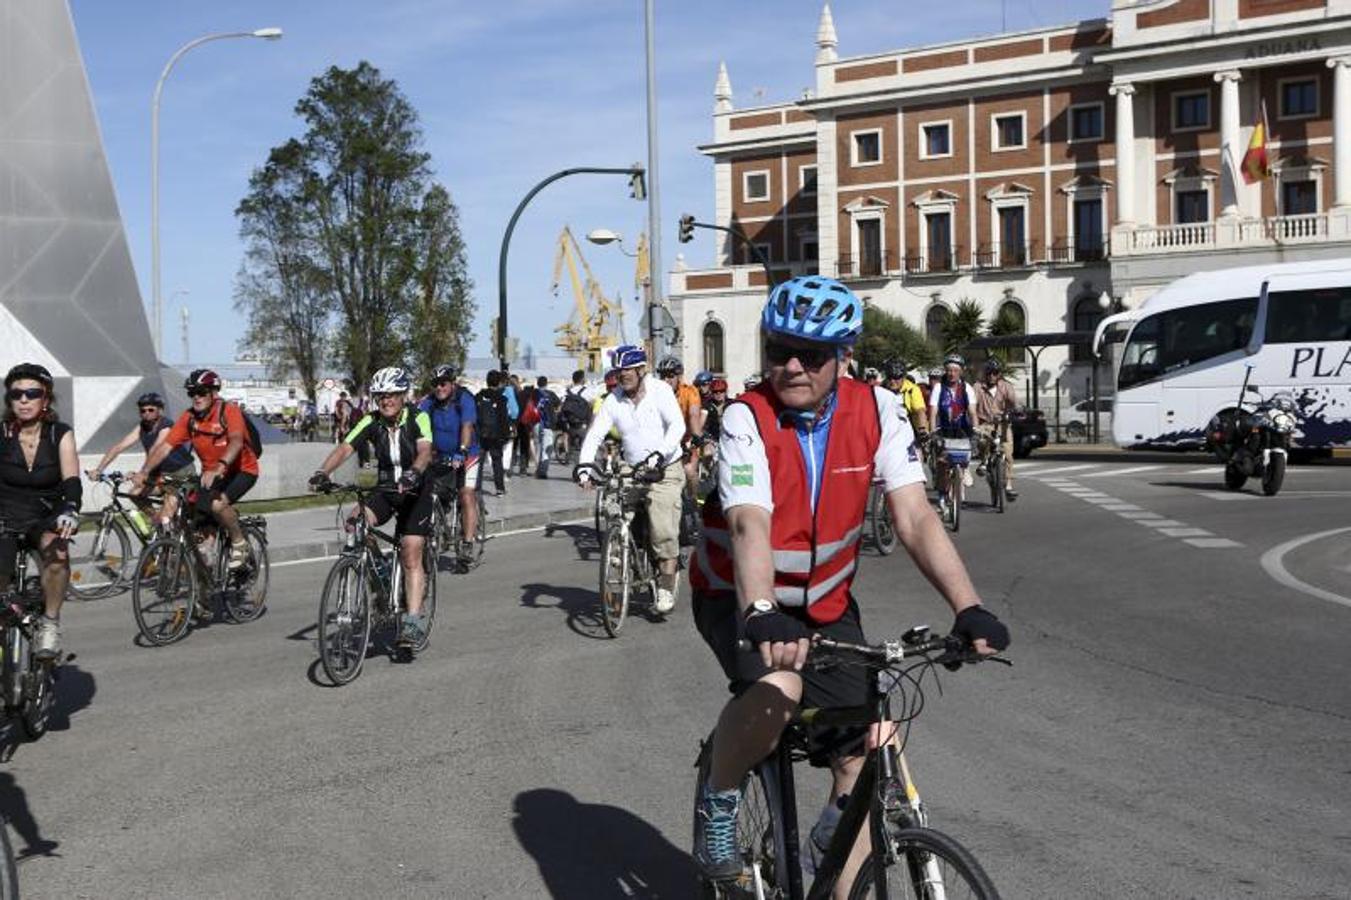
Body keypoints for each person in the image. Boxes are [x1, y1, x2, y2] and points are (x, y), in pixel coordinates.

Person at [688, 278, 1010, 890]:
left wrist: (969, 607)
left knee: (868, 740)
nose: (791, 366)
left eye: (811, 355)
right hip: (738, 597)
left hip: (826, 604)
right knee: (780, 686)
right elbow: (748, 521)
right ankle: (720, 799)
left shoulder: (878, 410)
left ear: (842, 357)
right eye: (778, 349)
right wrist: (760, 609)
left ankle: (830, 853)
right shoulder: (744, 418)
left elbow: (914, 515)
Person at [309, 367, 434, 647]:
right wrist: (322, 472)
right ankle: (380, 569)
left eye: (391, 395)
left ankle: (412, 621)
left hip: (416, 491)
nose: (386, 401)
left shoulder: (418, 417)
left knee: (411, 550)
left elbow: (425, 450)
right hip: (387, 489)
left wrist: (414, 472)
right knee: (354, 523)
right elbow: (346, 447)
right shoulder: (371, 421)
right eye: (380, 396)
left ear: (403, 395)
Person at [576, 346, 685, 614]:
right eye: (619, 371)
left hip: (665, 468)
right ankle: (620, 559)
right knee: (614, 509)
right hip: (631, 467)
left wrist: (661, 454)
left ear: (640, 370)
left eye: (627, 370)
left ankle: (666, 586)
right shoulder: (613, 400)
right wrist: (583, 468)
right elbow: (594, 435)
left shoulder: (660, 390)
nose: (623, 375)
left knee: (663, 529)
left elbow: (678, 426)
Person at [133, 369, 259, 569]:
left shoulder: (228, 411)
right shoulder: (189, 418)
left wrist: (220, 466)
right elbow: (164, 447)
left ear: (213, 393)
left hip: (241, 470)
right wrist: (145, 471)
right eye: (192, 393)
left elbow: (236, 441)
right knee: (192, 509)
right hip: (210, 474)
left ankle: (239, 543)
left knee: (217, 505)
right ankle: (206, 563)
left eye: (201, 392)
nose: (196, 397)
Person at [0, 364, 81, 660]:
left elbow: (71, 479)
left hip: (46, 513)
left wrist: (70, 509)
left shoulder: (60, 433)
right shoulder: (2, 433)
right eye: (16, 393)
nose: (23, 399)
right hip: (5, 514)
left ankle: (49, 622)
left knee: (58, 556)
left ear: (45, 400)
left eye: (32, 393)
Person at [87, 392, 195, 528]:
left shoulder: (166, 426)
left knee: (166, 515)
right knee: (135, 494)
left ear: (160, 410)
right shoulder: (142, 427)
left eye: (151, 410)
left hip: (180, 473)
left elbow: (155, 450)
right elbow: (119, 446)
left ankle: (167, 529)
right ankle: (157, 521)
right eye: (142, 410)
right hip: (159, 474)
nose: (146, 413)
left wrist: (142, 473)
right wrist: (99, 469)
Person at [417, 365, 480, 566]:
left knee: (466, 494)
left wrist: (462, 450)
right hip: (441, 456)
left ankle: (468, 543)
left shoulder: (464, 399)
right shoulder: (429, 403)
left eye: (443, 383)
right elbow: (416, 422)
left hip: (467, 455)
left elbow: (467, 426)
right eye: (435, 384)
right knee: (432, 494)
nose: (439, 388)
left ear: (452, 383)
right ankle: (438, 531)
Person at [927, 354, 976, 513]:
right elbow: (933, 412)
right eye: (949, 370)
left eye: (955, 370)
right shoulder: (938, 388)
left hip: (962, 429)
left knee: (964, 454)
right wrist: (932, 432)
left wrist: (975, 431)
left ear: (961, 371)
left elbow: (973, 413)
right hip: (944, 430)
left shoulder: (966, 388)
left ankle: (965, 467)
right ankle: (942, 495)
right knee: (942, 464)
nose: (952, 373)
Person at [656, 355, 705, 500]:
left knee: (689, 470)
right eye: (663, 376)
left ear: (679, 377)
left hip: (686, 439)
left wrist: (697, 436)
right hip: (663, 441)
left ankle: (695, 500)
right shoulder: (655, 393)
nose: (666, 380)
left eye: (671, 376)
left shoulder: (690, 391)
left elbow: (693, 415)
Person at [973, 357, 1019, 501]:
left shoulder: (1006, 386)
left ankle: (1009, 486)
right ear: (985, 373)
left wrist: (1014, 410)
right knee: (981, 442)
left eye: (995, 373)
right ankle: (984, 462)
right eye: (989, 373)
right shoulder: (978, 387)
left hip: (1003, 424)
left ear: (999, 374)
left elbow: (1014, 403)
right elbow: (971, 403)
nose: (992, 376)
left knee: (1008, 453)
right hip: (985, 423)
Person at [475, 371, 514, 496]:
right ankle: (500, 489)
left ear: (487, 381)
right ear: (499, 382)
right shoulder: (502, 398)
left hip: (481, 434)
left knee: (479, 462)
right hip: (496, 435)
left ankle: (477, 487)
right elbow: (504, 418)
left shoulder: (479, 396)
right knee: (497, 462)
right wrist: (506, 435)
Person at [883, 359, 929, 443]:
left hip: (906, 433)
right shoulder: (880, 390)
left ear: (903, 377)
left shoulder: (912, 389)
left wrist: (922, 430)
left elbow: (919, 411)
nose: (893, 381)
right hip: (885, 432)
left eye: (896, 378)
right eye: (890, 377)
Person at [556, 369, 593, 461]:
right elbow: (592, 404)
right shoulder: (587, 391)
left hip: (569, 423)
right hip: (583, 423)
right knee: (585, 445)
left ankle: (567, 451)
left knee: (569, 439)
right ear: (582, 379)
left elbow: (560, 404)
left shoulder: (566, 391)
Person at [533, 375, 560, 478]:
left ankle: (536, 469)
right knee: (546, 449)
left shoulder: (533, 394)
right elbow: (558, 405)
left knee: (537, 447)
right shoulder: (551, 394)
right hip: (548, 424)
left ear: (537, 383)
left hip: (535, 423)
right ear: (546, 383)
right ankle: (542, 471)